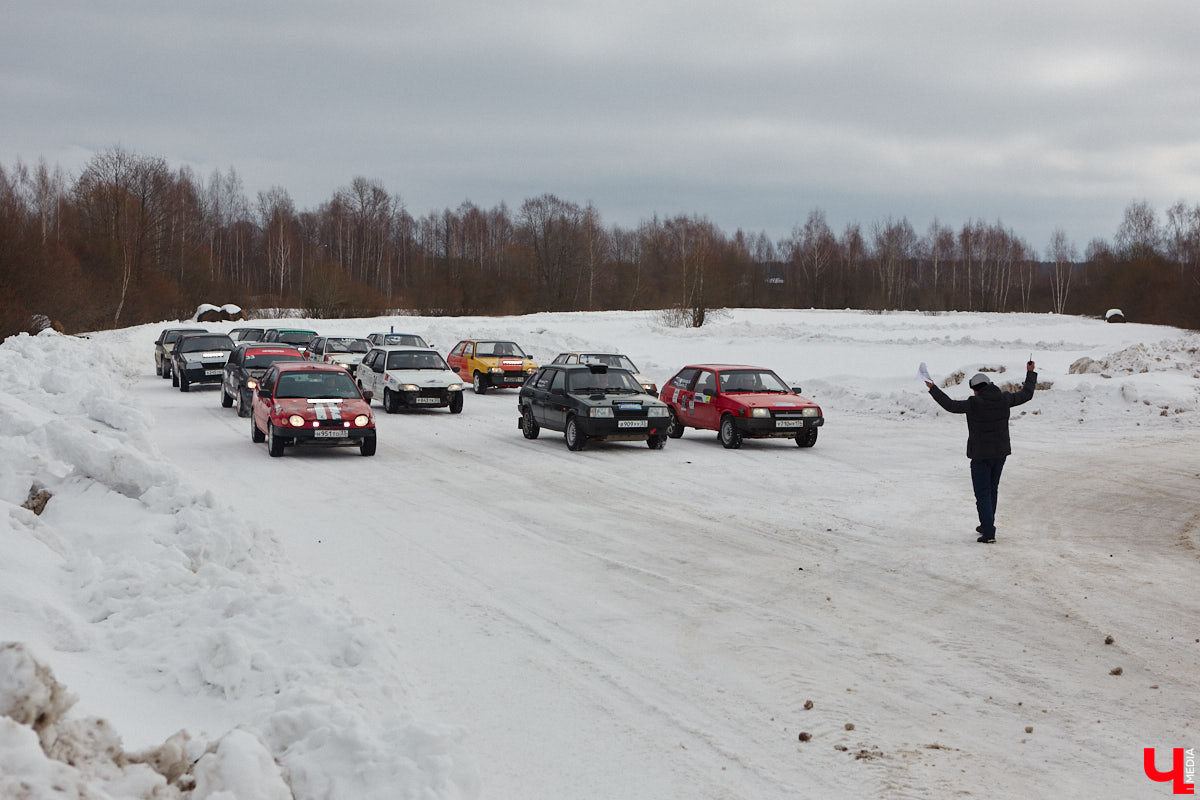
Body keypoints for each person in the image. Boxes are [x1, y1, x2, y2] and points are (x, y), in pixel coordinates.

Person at [925, 361, 1038, 543]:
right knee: (992, 490)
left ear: (976, 389)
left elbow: (951, 405)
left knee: (983, 493)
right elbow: (1027, 394)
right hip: (1000, 454)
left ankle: (988, 532)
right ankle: (987, 523)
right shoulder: (1004, 399)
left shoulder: (974, 403)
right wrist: (1030, 373)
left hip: (980, 455)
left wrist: (932, 388)